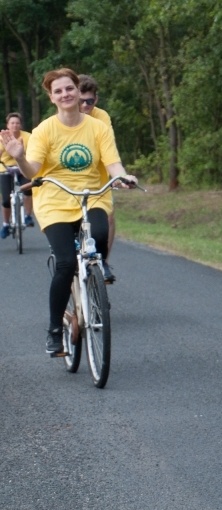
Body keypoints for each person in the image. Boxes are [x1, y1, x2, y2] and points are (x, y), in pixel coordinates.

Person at [0, 68, 137, 357]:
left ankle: (92, 287)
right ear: (52, 97)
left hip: (91, 195)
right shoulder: (44, 130)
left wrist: (124, 177)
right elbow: (33, 171)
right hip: (54, 200)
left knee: (99, 236)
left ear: (78, 90)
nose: (65, 94)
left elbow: (112, 163)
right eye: (58, 91)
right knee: (64, 263)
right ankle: (53, 330)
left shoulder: (98, 127)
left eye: (69, 88)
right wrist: (20, 156)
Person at [79, 74, 117, 282]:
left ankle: (103, 261)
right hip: (70, 178)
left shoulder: (101, 117)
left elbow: (108, 148)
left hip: (98, 175)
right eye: (81, 101)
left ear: (96, 100)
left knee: (109, 216)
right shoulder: (63, 117)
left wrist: (118, 175)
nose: (85, 105)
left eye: (90, 101)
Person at [0, 112, 35, 236]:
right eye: (12, 123)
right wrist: (5, 147)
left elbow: (34, 153)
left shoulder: (28, 137)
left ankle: (28, 215)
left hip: (22, 168)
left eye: (17, 123)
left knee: (28, 190)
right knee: (5, 200)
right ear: (7, 125)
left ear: (21, 125)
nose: (15, 125)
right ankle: (5, 224)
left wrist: (21, 150)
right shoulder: (2, 137)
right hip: (5, 169)